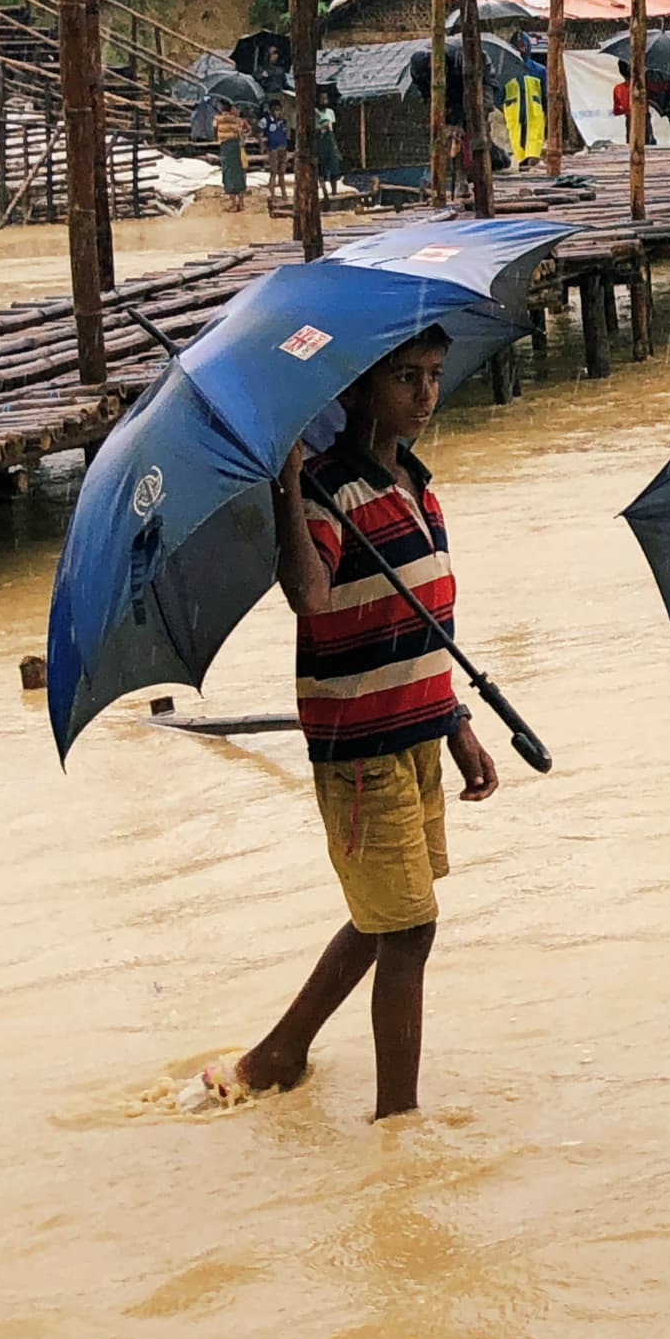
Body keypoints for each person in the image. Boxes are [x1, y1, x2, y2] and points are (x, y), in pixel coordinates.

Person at [222, 327, 503, 1119]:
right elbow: (310, 599)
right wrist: (287, 480)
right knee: (409, 926)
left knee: (386, 915)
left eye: (433, 376)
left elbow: (424, 628)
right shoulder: (327, 489)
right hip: (361, 754)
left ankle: (280, 1051)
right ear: (352, 392)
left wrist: (456, 723)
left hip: (415, 735)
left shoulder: (416, 485)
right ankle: (397, 1122)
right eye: (404, 378)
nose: (423, 394)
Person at [213, 97, 254, 214]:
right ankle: (241, 203)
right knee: (239, 174)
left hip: (226, 148)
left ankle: (233, 203)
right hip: (237, 148)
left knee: (229, 175)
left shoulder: (217, 119)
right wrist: (243, 135)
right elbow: (248, 130)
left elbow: (214, 132)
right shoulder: (238, 121)